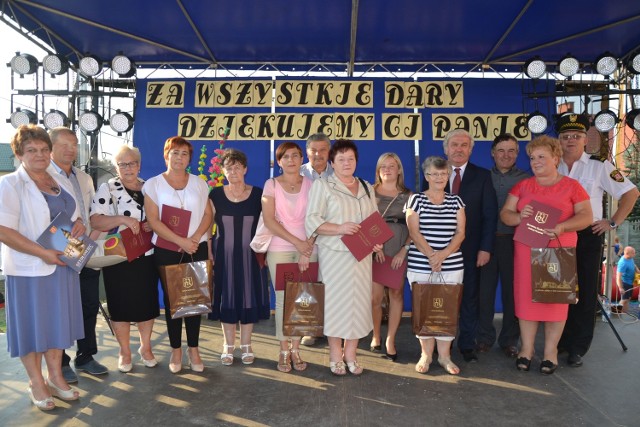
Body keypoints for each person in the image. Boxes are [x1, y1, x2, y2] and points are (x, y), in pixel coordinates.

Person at [0, 125, 85, 410]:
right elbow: (3, 230)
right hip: (30, 270)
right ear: (19, 154)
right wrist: (43, 253)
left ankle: (57, 377)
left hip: (63, 264)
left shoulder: (60, 181)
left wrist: (79, 225)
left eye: (44, 149)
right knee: (33, 327)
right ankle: (36, 382)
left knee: (57, 324)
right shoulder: (10, 184)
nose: (40, 155)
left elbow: (70, 217)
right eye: (32, 150)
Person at [501, 135, 592, 375]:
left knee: (556, 301)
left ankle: (550, 352)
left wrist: (562, 226)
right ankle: (526, 350)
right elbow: (506, 215)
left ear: (555, 158)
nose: (536, 161)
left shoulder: (573, 186)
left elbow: (586, 217)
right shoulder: (522, 186)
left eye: (541, 157)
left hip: (559, 251)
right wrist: (520, 217)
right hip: (526, 251)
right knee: (527, 300)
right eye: (532, 158)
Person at [555, 113, 640, 368]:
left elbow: (631, 193)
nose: (570, 140)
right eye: (565, 136)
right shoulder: (552, 163)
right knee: (559, 289)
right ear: (558, 140)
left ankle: (578, 347)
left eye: (576, 136)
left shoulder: (599, 165)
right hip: (557, 234)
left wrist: (612, 222)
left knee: (587, 290)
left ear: (585, 140)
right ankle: (560, 340)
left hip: (587, 234)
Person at [305, 139, 382, 376]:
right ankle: (335, 355)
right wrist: (339, 228)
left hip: (361, 257)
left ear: (357, 161)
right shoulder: (323, 185)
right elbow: (312, 220)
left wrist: (377, 241)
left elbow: (374, 220)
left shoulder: (366, 186)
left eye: (351, 159)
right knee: (335, 307)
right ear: (332, 162)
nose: (347, 163)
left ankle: (351, 354)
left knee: (358, 306)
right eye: (341, 159)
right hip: (335, 257)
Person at [144, 136, 213, 374]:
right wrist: (180, 241)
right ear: (166, 155)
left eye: (184, 154)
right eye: (175, 153)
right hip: (167, 249)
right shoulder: (153, 184)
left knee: (194, 300)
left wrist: (193, 240)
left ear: (189, 158)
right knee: (174, 301)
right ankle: (176, 350)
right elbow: (153, 220)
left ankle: (194, 349)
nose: (179, 158)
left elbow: (208, 216)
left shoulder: (200, 183)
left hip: (196, 246)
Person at [90, 146, 159, 373]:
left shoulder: (150, 187)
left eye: (131, 163)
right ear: (115, 166)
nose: (127, 168)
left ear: (138, 165)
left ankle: (146, 348)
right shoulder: (107, 188)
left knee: (147, 305)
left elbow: (158, 217)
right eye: (122, 164)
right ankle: (124, 352)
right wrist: (121, 219)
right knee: (119, 307)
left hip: (146, 255)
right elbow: (96, 221)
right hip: (118, 257)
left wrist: (150, 223)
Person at [48, 127, 108, 383]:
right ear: (51, 146)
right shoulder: (43, 176)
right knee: (61, 309)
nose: (70, 149)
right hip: (60, 248)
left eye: (74, 144)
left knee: (88, 304)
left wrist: (92, 237)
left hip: (87, 246)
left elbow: (92, 212)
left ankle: (86, 356)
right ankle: (60, 362)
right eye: (64, 144)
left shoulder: (84, 177)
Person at [439, 129, 498, 362]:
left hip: (471, 250)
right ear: (446, 149)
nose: (459, 149)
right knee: (441, 297)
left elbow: (490, 215)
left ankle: (466, 345)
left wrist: (486, 248)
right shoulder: (434, 173)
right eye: (454, 144)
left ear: (471, 150)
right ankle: (442, 343)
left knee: (469, 298)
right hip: (439, 251)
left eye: (464, 145)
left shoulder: (482, 176)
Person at [209, 148, 270, 366]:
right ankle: (227, 346)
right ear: (223, 171)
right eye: (229, 167)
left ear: (245, 168)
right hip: (223, 255)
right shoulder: (215, 194)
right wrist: (208, 248)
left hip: (251, 257)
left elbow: (267, 224)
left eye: (237, 166)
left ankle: (246, 345)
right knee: (226, 296)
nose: (233, 171)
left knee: (248, 297)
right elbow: (208, 225)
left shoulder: (258, 194)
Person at [406, 156, 466, 375]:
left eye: (443, 174)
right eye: (434, 174)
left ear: (448, 175)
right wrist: (432, 256)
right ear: (426, 176)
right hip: (421, 264)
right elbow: (414, 231)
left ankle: (444, 356)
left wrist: (443, 256)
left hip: (451, 265)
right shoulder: (415, 200)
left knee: (446, 310)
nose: (439, 177)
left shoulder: (456, 201)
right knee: (424, 311)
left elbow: (461, 233)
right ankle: (426, 354)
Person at [262, 142, 315, 373]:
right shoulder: (271, 184)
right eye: (286, 156)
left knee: (303, 300)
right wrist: (298, 245)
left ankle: (296, 349)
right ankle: (283, 350)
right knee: (284, 299)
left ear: (302, 158)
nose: (291, 160)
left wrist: (307, 248)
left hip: (309, 247)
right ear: (279, 161)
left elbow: (317, 218)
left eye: (295, 156)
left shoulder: (312, 184)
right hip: (280, 247)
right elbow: (269, 220)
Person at [477, 134, 530, 358]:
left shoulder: (527, 179)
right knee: (484, 294)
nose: (506, 155)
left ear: (517, 154)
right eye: (501, 150)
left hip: (515, 242)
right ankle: (484, 338)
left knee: (513, 294)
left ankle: (509, 340)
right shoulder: (482, 177)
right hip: (486, 243)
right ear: (492, 152)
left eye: (511, 151)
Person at [371, 152, 411, 361]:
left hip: (398, 251)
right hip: (373, 251)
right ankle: (376, 336)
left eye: (392, 166)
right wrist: (374, 247)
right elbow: (363, 221)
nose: (387, 169)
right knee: (375, 298)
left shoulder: (409, 195)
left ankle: (390, 340)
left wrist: (404, 250)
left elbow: (415, 227)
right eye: (383, 166)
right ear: (378, 170)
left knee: (396, 295)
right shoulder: (368, 192)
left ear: (399, 170)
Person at [299, 132, 332, 346]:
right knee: (307, 284)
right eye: (313, 150)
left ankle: (331, 327)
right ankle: (310, 327)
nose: (318, 154)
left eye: (322, 150)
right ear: (307, 151)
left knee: (330, 284)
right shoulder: (297, 173)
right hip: (304, 239)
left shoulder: (338, 172)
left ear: (329, 151)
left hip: (332, 239)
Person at [617, 246, 639, 313]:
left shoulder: (630, 258)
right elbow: (618, 276)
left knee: (628, 299)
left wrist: (637, 270)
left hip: (630, 282)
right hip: (625, 283)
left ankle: (625, 313)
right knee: (624, 300)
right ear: (627, 253)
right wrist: (620, 288)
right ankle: (616, 313)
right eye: (633, 253)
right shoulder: (623, 263)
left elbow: (633, 264)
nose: (635, 254)